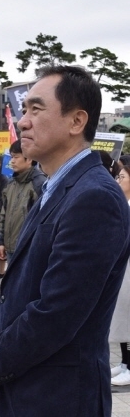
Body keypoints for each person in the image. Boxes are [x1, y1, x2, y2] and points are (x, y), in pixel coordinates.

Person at [0, 65, 130, 417]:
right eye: (24, 110)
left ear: (76, 121)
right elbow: (17, 288)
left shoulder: (94, 197)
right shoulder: (56, 189)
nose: (23, 122)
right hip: (28, 388)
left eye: (36, 110)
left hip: (60, 398)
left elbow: (57, 312)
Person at [0, 140, 46, 271]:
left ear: (28, 159)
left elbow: (42, 220)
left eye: (16, 157)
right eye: (11, 157)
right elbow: (4, 214)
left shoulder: (39, 183)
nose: (12, 161)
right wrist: (2, 243)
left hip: (28, 249)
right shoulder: (11, 184)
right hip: (10, 247)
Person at [110, 165, 130, 386]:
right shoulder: (123, 205)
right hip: (123, 269)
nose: (117, 180)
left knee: (129, 321)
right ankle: (125, 363)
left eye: (122, 177)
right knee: (123, 320)